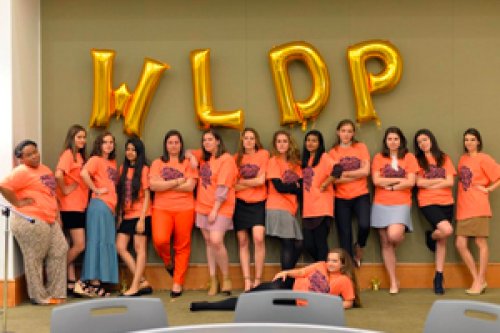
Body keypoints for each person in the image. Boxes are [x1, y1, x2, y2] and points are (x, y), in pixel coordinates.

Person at [0, 140, 68, 305]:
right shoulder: (21, 171)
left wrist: (57, 215)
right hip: (30, 219)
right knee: (35, 257)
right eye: (29, 155)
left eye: (35, 152)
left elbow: (50, 193)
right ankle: (39, 297)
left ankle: (55, 292)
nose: (34, 156)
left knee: (60, 249)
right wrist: (18, 203)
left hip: (50, 218)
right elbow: (3, 186)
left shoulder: (44, 169)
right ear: (21, 159)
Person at [190, 248, 360, 311]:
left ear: (343, 264)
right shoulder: (321, 265)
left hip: (295, 301)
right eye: (329, 259)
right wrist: (285, 272)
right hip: (288, 285)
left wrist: (326, 306)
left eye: (334, 261)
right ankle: (210, 305)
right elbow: (301, 272)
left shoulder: (344, 281)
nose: (329, 263)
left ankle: (206, 306)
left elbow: (349, 302)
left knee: (251, 303)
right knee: (256, 294)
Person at [149, 130, 197, 297]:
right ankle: (168, 262)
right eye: (170, 142)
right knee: (160, 239)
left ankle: (177, 282)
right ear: (166, 145)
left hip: (185, 208)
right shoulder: (157, 163)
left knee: (182, 246)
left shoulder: (187, 163)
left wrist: (166, 184)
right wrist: (178, 181)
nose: (174, 145)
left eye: (177, 142)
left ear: (181, 144)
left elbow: (190, 186)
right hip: (161, 208)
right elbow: (154, 186)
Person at [371, 126, 418, 294]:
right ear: (385, 141)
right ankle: (393, 281)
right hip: (380, 203)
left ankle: (394, 279)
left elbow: (411, 182)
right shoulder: (378, 157)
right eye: (390, 139)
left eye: (396, 139)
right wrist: (399, 182)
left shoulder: (409, 157)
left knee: (394, 236)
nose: (393, 142)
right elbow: (376, 181)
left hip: (401, 203)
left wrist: (389, 185)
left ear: (401, 141)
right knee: (385, 243)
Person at [455, 128, 500, 295]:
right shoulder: (462, 159)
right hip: (463, 207)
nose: (469, 143)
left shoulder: (484, 158)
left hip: (478, 206)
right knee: (460, 244)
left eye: (472, 139)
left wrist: (488, 189)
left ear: (478, 142)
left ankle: (480, 280)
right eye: (466, 139)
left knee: (480, 243)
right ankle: (478, 279)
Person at [195, 129, 238, 296]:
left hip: (220, 207)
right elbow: (189, 152)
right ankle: (213, 279)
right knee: (208, 242)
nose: (207, 143)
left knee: (216, 240)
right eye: (204, 140)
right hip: (202, 206)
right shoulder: (205, 159)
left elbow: (224, 186)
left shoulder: (226, 159)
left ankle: (227, 277)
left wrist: (215, 209)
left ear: (218, 141)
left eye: (210, 139)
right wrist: (191, 156)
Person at [76, 132, 119, 297]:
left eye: (111, 142)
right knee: (96, 242)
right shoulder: (95, 160)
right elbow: (83, 173)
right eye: (105, 142)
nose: (108, 145)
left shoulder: (112, 163)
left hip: (109, 208)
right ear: (99, 145)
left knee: (106, 242)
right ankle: (92, 281)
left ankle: (99, 281)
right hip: (99, 206)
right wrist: (95, 189)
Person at [414, 129, 455, 294]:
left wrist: (430, 182)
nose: (423, 143)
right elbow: (418, 183)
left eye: (425, 139)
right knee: (447, 230)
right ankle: (430, 236)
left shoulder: (443, 158)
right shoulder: (417, 160)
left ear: (431, 139)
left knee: (442, 239)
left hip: (447, 202)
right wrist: (440, 181)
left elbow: (450, 181)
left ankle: (438, 276)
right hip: (428, 202)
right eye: (419, 142)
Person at [327, 119, 371, 267]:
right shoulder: (333, 153)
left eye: (349, 131)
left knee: (365, 225)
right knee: (344, 235)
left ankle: (359, 245)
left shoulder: (361, 147)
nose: (346, 134)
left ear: (353, 134)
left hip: (361, 195)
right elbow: (334, 179)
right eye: (343, 131)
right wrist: (356, 174)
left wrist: (345, 174)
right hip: (341, 198)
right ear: (338, 132)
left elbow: (366, 171)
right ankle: (349, 268)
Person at [116, 138, 153, 297]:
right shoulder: (122, 168)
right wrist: (120, 215)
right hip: (127, 214)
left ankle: (135, 286)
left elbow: (147, 195)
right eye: (128, 149)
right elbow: (121, 193)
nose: (130, 152)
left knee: (140, 249)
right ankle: (143, 281)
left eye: (133, 149)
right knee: (120, 247)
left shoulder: (144, 169)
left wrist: (142, 219)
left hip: (141, 214)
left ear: (139, 152)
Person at [54, 124, 88, 296]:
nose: (82, 140)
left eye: (84, 137)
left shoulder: (79, 156)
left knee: (70, 245)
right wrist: (66, 190)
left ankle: (70, 283)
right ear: (72, 138)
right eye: (79, 137)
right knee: (80, 245)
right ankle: (56, 271)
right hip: (70, 206)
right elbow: (58, 174)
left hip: (78, 205)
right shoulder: (68, 154)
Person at [266, 130, 303, 288]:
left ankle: (285, 276)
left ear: (290, 144)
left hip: (290, 208)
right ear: (275, 144)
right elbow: (279, 187)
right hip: (277, 206)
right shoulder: (273, 161)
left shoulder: (296, 164)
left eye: (284, 141)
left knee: (299, 243)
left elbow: (301, 188)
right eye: (279, 141)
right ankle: (286, 282)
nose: (281, 144)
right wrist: (294, 186)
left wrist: (294, 187)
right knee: (289, 243)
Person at [233, 128, 269, 291]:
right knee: (242, 241)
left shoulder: (263, 154)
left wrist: (242, 183)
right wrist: (250, 182)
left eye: (251, 138)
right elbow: (232, 184)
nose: (248, 141)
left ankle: (258, 279)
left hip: (258, 202)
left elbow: (261, 181)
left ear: (256, 140)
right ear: (242, 141)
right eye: (246, 138)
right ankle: (247, 281)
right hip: (240, 203)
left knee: (259, 238)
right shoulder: (236, 158)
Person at [301, 130, 335, 262]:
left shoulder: (324, 157)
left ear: (319, 143)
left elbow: (337, 169)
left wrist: (325, 184)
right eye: (308, 140)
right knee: (308, 244)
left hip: (322, 207)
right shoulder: (306, 160)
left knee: (321, 244)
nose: (310, 143)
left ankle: (324, 275)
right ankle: (323, 266)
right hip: (308, 210)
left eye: (314, 140)